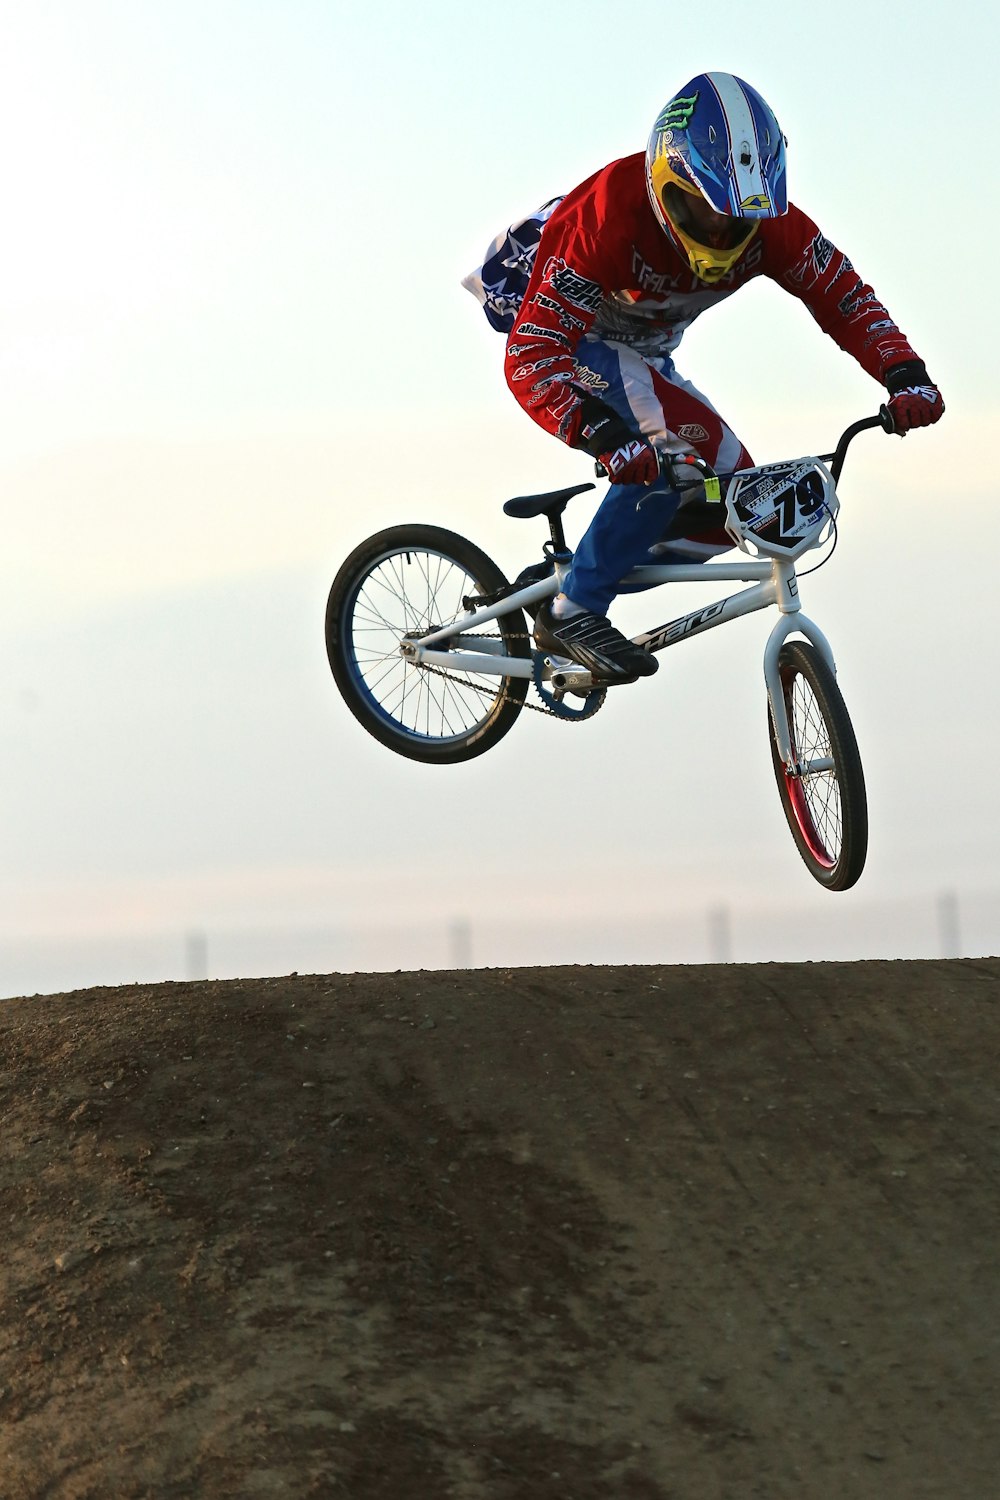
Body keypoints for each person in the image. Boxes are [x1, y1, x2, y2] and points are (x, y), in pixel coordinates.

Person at [463, 71, 944, 683]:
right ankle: (574, 610)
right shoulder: (607, 218)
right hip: (561, 327)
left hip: (644, 348)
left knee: (735, 508)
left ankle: (573, 575)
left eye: (736, 220)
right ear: (667, 186)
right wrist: (604, 438)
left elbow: (843, 297)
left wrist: (905, 375)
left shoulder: (775, 225)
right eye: (702, 210)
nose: (720, 233)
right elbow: (532, 360)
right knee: (677, 450)